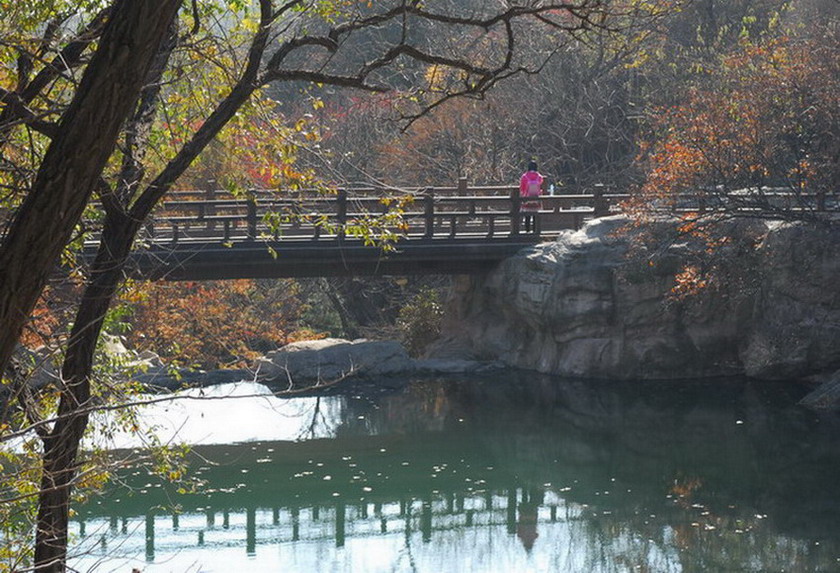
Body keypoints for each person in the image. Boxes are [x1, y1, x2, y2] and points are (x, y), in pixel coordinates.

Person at [519, 160, 544, 233]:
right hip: (536, 198)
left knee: (527, 214)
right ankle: (535, 230)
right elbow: (540, 183)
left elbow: (522, 188)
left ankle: (527, 230)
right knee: (535, 214)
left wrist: (523, 195)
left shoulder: (524, 176)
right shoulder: (539, 176)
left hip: (527, 198)